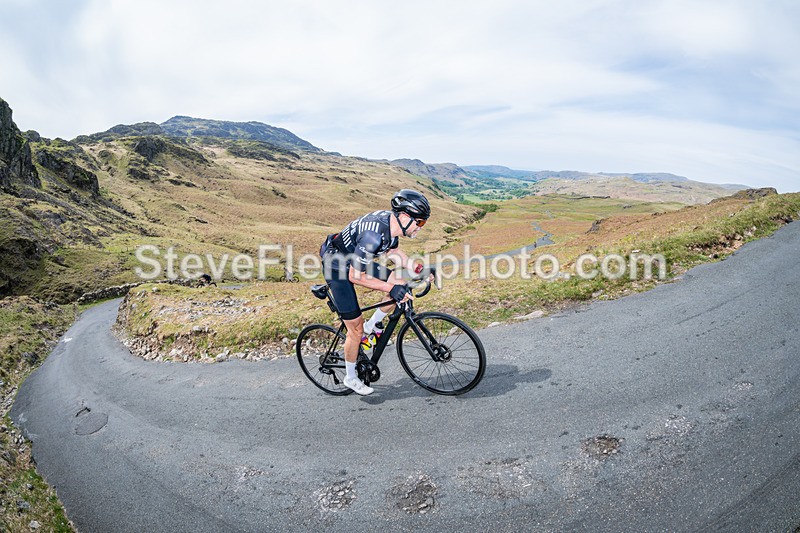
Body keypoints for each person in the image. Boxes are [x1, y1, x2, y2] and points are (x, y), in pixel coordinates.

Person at [319, 189, 434, 395]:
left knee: (400, 283)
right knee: (356, 329)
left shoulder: (393, 226)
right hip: (336, 265)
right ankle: (350, 377)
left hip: (353, 260)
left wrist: (419, 270)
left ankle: (373, 326)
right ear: (405, 217)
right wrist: (391, 288)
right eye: (420, 222)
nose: (420, 228)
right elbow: (355, 276)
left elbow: (394, 253)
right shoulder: (372, 236)